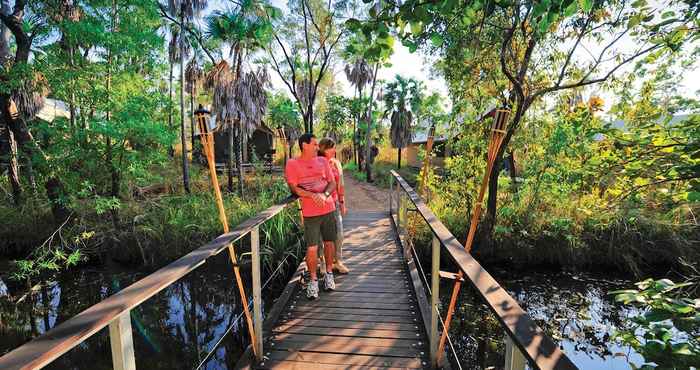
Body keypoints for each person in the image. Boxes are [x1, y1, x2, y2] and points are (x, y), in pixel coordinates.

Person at [285, 133, 338, 300]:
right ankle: (313, 280)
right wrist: (311, 195)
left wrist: (325, 194)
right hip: (310, 213)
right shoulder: (292, 164)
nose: (317, 147)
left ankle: (329, 274)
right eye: (314, 144)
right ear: (304, 145)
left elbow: (332, 182)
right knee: (312, 247)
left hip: (328, 208)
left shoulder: (322, 161)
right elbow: (294, 189)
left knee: (330, 242)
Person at [318, 138, 350, 274]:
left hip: (334, 203)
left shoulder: (336, 163)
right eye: (332, 148)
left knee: (339, 233)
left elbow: (340, 184)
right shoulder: (316, 162)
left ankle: (338, 261)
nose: (334, 150)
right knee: (321, 235)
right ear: (323, 148)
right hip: (319, 204)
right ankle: (323, 263)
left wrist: (342, 202)